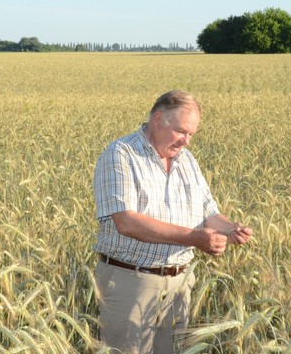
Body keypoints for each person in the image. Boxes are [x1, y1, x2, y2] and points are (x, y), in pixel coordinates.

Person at [93, 90, 253, 354]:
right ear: (158, 119)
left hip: (180, 286)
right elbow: (126, 222)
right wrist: (193, 238)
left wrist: (230, 228)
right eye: (181, 131)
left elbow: (208, 213)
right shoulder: (121, 154)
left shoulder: (186, 160)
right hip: (131, 283)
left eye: (192, 134)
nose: (186, 141)